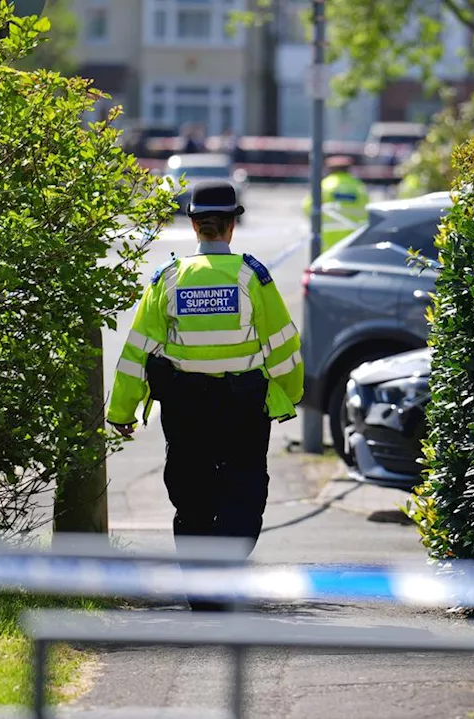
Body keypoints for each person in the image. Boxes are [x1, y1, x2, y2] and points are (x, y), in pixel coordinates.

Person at [106, 180, 303, 574]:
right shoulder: (252, 277)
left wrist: (122, 411)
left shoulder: (169, 279)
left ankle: (200, 578)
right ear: (231, 227)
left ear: (194, 227)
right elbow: (282, 344)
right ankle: (224, 566)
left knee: (191, 494)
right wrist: (290, 392)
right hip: (243, 409)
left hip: (186, 408)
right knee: (244, 491)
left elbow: (137, 351)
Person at [301, 155, 370, 249]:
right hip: (352, 236)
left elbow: (308, 207)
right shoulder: (358, 186)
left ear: (329, 169)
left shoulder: (325, 185)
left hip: (326, 237)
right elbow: (368, 209)